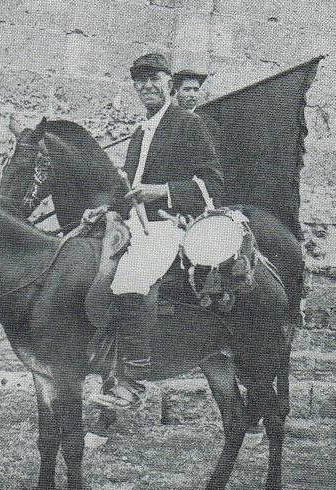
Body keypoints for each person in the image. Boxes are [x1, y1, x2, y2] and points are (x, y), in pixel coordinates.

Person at [90, 53, 224, 409]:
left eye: (155, 79)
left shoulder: (188, 125)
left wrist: (161, 190)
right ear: (134, 86)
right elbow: (128, 191)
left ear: (169, 84)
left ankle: (133, 380)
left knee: (134, 277)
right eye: (140, 80)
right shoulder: (139, 132)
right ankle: (100, 361)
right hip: (133, 225)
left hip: (170, 225)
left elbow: (212, 183)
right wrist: (105, 209)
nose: (147, 85)